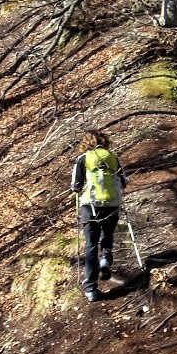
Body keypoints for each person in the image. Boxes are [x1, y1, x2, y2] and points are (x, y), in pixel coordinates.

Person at [71, 129, 126, 302]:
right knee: (107, 235)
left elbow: (75, 186)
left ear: (86, 142)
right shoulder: (112, 157)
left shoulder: (83, 159)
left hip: (90, 205)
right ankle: (105, 259)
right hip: (112, 204)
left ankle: (91, 289)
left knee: (91, 244)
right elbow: (123, 182)